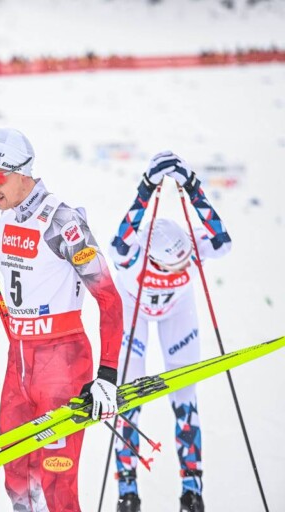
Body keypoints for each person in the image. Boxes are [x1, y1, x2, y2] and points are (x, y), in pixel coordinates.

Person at [0, 127, 123, 511]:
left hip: (63, 364)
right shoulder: (8, 218)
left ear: (22, 172)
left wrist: (107, 376)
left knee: (58, 485)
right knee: (17, 480)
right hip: (19, 365)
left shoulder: (63, 222)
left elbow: (109, 299)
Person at [109, 151, 231, 512]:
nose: (182, 264)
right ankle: (127, 491)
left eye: (184, 260)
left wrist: (193, 188)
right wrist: (146, 189)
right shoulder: (133, 251)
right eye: (172, 263)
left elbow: (223, 242)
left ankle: (192, 490)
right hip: (134, 311)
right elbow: (118, 240)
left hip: (177, 310)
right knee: (128, 400)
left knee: (185, 397)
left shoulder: (189, 244)